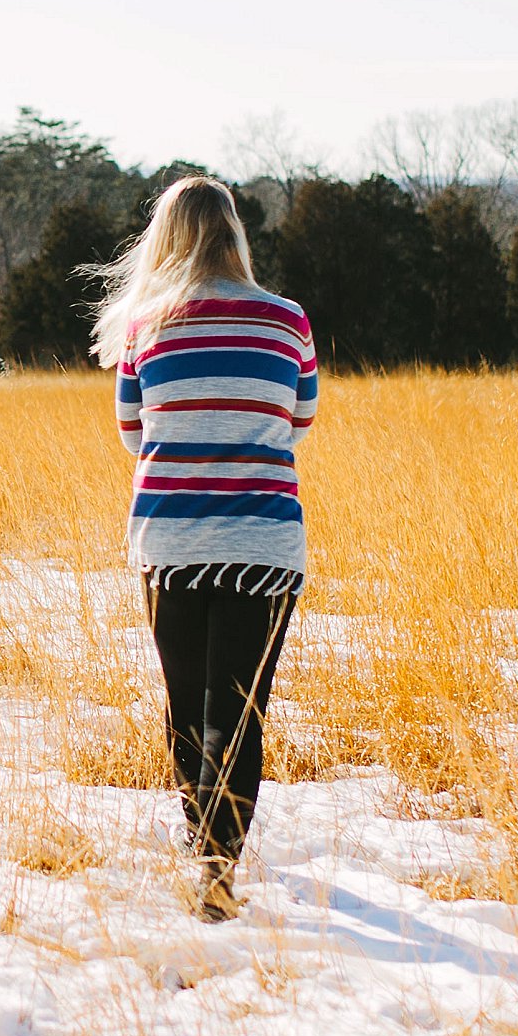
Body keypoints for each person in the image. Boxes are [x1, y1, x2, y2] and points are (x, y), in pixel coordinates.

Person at [90, 175, 321, 922]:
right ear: (235, 235)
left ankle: (204, 852)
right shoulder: (289, 321)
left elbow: (133, 433)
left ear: (166, 238)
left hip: (172, 540)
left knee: (187, 707)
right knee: (239, 711)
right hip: (263, 541)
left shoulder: (146, 327)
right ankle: (217, 870)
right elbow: (300, 419)